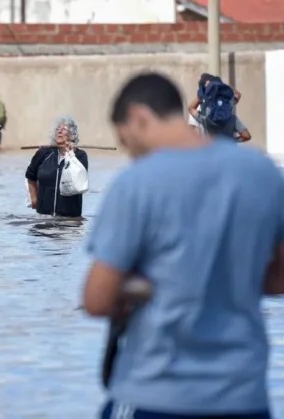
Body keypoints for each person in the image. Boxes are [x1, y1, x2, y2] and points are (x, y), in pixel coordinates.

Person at [83, 72, 283, 419]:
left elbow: (97, 299)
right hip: (243, 396)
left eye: (127, 141)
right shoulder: (262, 173)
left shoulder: (136, 183)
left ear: (138, 117)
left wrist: (144, 287)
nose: (132, 154)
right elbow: (278, 280)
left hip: (155, 393)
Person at [25, 116, 88, 217]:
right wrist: (34, 198)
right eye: (57, 129)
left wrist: (70, 154)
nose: (59, 131)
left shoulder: (80, 156)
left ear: (72, 134)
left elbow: (80, 179)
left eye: (63, 129)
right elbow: (30, 176)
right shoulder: (44, 153)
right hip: (44, 217)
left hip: (70, 219)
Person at [188, 73, 251, 142]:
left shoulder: (205, 117)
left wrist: (203, 93)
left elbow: (191, 108)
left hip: (209, 150)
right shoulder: (230, 114)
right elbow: (246, 136)